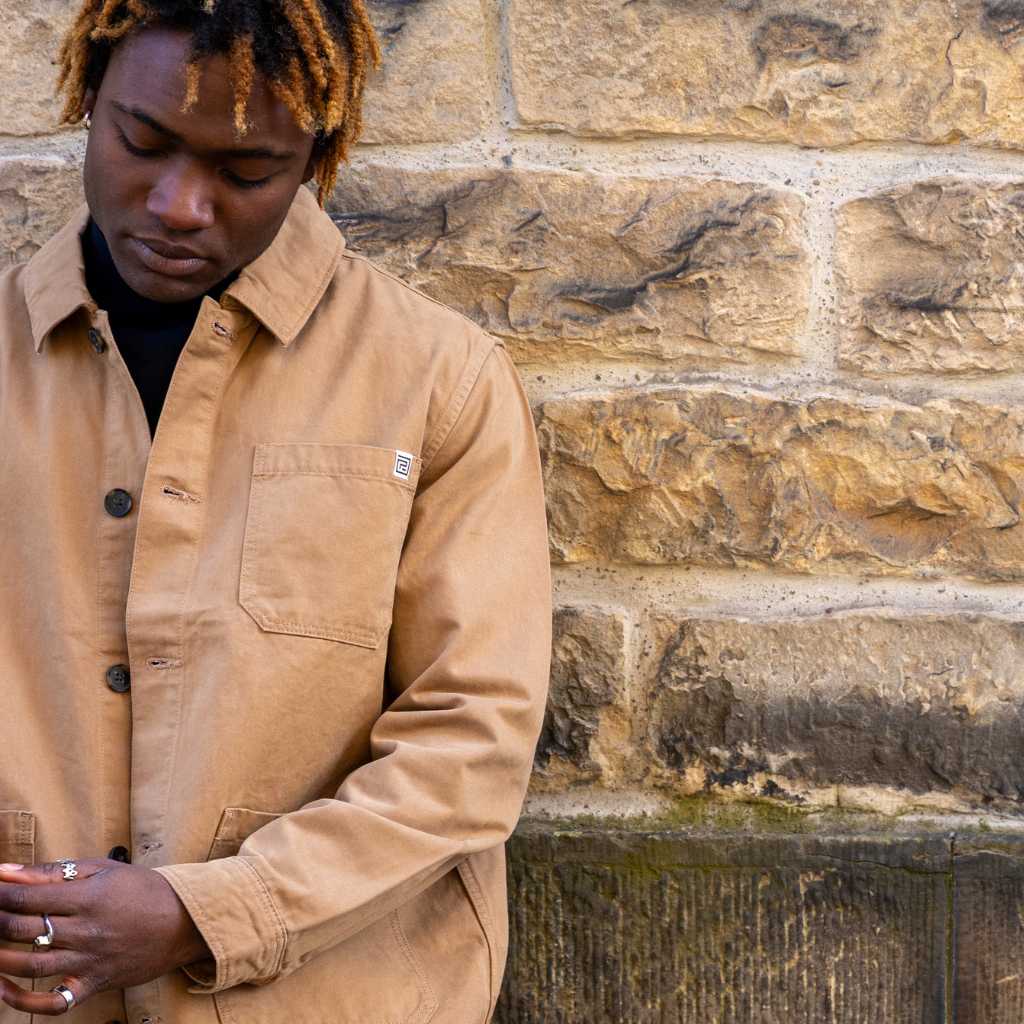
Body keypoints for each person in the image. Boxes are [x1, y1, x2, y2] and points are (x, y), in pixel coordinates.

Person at [0, 1, 552, 1021]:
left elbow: (469, 739)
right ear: (89, 98)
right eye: (142, 142)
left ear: (315, 161)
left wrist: (210, 913)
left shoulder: (439, 383)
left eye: (246, 171)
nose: (178, 204)